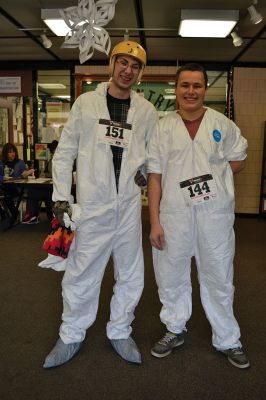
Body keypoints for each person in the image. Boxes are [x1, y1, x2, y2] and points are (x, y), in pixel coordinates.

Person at [42, 40, 158, 368]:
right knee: (81, 273)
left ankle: (120, 329)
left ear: (140, 73)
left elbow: (149, 158)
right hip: (93, 205)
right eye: (123, 62)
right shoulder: (86, 104)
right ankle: (71, 334)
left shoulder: (146, 111)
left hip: (129, 208)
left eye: (135, 66)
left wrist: (141, 179)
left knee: (131, 273)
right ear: (112, 64)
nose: (128, 70)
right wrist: (61, 198)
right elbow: (65, 152)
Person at [147, 63, 250, 369]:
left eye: (197, 86)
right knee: (170, 273)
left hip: (213, 215)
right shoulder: (162, 128)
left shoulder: (223, 124)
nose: (190, 91)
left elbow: (239, 159)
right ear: (175, 89)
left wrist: (215, 178)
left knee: (218, 275)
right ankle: (174, 328)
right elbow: (154, 176)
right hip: (173, 214)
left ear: (205, 89)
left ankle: (228, 338)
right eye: (185, 85)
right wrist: (154, 221)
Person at [22, 140, 58, 224]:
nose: (54, 152)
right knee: (33, 190)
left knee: (33, 192)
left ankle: (32, 215)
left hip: (54, 188)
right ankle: (32, 214)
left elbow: (52, 174)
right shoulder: (52, 160)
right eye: (53, 150)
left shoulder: (58, 160)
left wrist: (45, 175)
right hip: (51, 187)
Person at [0, 143, 28, 224]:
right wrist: (2, 178)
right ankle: (3, 213)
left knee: (6, 195)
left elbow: (25, 175)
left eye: (13, 152)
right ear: (5, 153)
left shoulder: (20, 163)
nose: (12, 154)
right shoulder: (1, 163)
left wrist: (25, 174)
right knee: (5, 194)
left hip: (16, 187)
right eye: (10, 152)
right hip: (3, 187)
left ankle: (14, 214)